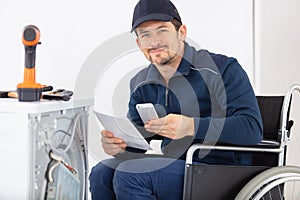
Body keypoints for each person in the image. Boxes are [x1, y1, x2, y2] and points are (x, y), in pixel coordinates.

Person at [89, 0, 263, 199]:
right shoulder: (140, 83)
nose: (154, 42)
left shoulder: (222, 68)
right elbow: (136, 145)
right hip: (177, 166)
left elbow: (252, 129)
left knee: (130, 175)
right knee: (102, 173)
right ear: (139, 43)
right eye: (145, 34)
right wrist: (118, 146)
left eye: (162, 30)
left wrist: (191, 126)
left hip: (225, 169)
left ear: (181, 32)